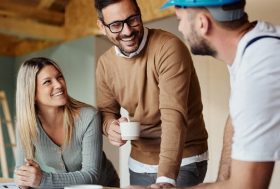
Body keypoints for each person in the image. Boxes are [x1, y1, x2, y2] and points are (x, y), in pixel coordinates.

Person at [160, 0, 280, 188]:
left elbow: (247, 186)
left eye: (179, 20)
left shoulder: (258, 69)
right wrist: (222, 182)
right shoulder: (253, 46)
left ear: (202, 23)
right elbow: (236, 119)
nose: (181, 29)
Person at [94, 0, 208, 187]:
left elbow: (173, 116)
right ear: (101, 26)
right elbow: (106, 111)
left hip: (184, 159)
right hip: (139, 162)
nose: (127, 31)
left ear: (140, 14)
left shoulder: (168, 48)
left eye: (132, 19)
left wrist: (165, 179)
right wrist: (110, 127)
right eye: (115, 25)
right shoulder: (105, 64)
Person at [14, 57, 119, 189]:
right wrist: (24, 180)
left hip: (105, 186)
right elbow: (20, 170)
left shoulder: (89, 117)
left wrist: (42, 179)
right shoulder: (26, 124)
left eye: (59, 77)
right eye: (47, 82)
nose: (58, 85)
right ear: (32, 93)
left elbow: (91, 175)